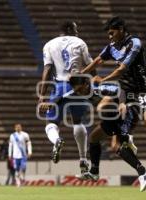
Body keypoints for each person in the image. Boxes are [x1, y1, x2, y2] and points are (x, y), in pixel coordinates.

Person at [81, 16, 146, 156]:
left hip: (140, 90)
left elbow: (121, 70)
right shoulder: (112, 46)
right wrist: (81, 73)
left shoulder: (134, 43)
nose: (109, 36)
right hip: (123, 89)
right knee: (103, 105)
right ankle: (125, 136)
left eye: (111, 33)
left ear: (121, 30)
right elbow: (98, 60)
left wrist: (103, 80)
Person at [68, 75, 146, 192]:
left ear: (87, 83)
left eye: (81, 89)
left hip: (128, 110)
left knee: (115, 142)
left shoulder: (99, 88)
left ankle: (142, 170)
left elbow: (121, 90)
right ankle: (94, 172)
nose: (80, 92)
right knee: (94, 138)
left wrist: (121, 103)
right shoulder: (84, 92)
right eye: (77, 91)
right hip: (114, 117)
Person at [38, 21, 93, 176]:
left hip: (59, 87)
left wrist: (43, 95)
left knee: (51, 123)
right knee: (78, 121)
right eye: (76, 29)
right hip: (78, 86)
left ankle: (56, 141)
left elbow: (47, 70)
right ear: (70, 29)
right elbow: (91, 65)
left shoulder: (49, 45)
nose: (77, 32)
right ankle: (83, 160)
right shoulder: (80, 42)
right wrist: (96, 82)